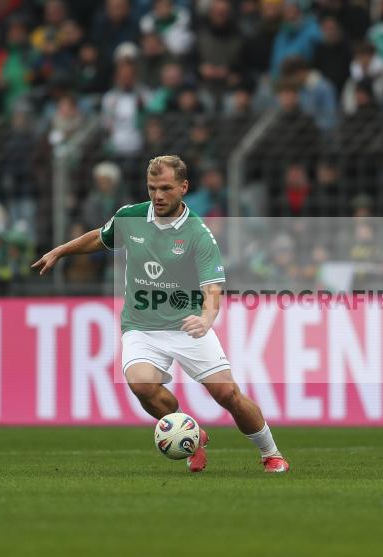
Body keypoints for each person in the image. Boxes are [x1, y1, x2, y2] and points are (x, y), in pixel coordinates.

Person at [32, 155, 290, 474]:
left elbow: (212, 291)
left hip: (187, 325)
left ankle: (271, 453)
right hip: (141, 327)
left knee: (228, 395)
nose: (158, 195)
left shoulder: (198, 234)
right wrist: (59, 251)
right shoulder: (131, 217)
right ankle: (193, 435)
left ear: (183, 188)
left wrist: (206, 319)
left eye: (166, 188)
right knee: (142, 385)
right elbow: (100, 237)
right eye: (153, 188)